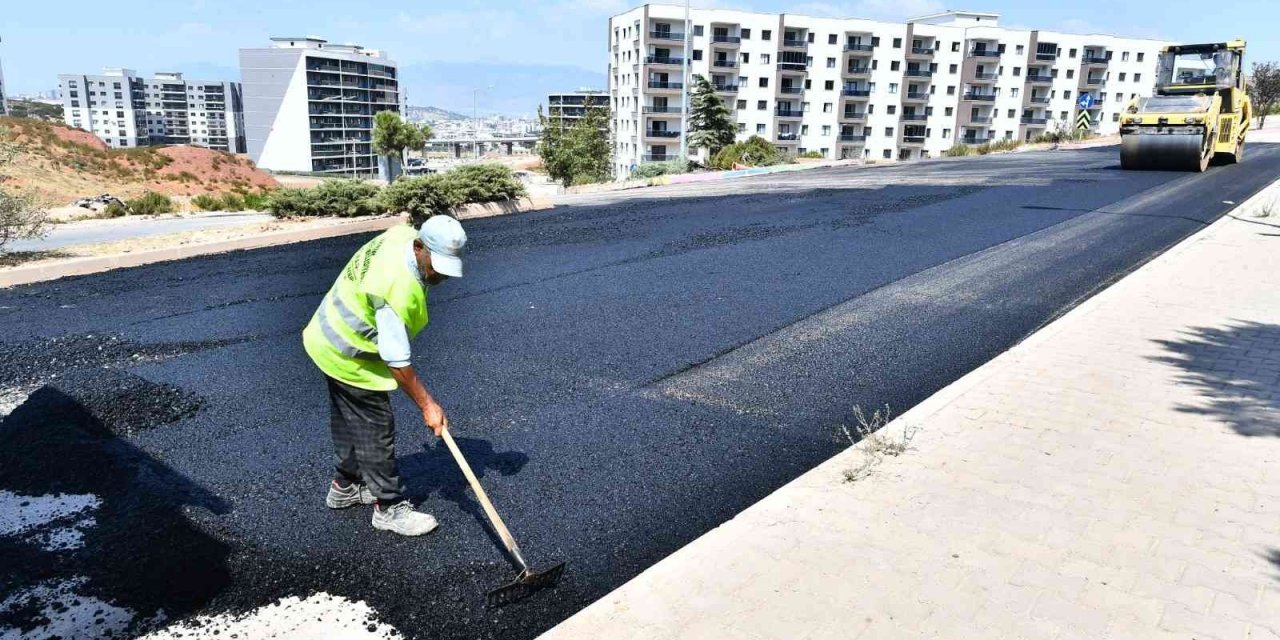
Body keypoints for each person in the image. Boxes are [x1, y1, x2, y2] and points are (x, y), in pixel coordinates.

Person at [302, 216, 467, 536]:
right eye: (438, 265)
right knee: (376, 426)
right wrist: (428, 406)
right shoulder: (397, 287)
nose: (443, 275)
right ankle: (388, 508)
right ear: (420, 248)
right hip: (349, 353)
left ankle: (345, 486)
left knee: (350, 421)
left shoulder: (403, 235)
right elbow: (398, 362)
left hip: (327, 338)